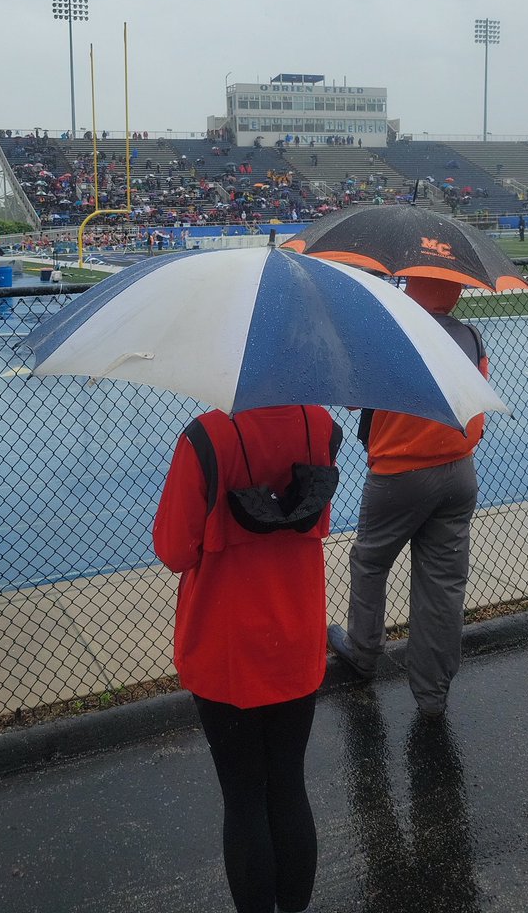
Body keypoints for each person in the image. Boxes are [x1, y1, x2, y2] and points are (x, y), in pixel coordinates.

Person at [154, 404, 342, 913]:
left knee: (243, 797)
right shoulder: (319, 425)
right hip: (296, 637)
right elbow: (315, 519)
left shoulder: (205, 437)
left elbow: (174, 549)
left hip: (226, 647)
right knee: (287, 783)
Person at [327, 276, 489, 719]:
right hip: (459, 472)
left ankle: (363, 653)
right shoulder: (469, 335)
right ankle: (432, 695)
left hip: (399, 474)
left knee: (371, 561)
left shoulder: (389, 330)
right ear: (454, 291)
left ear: (411, 286)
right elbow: (478, 399)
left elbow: (353, 402)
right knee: (443, 585)